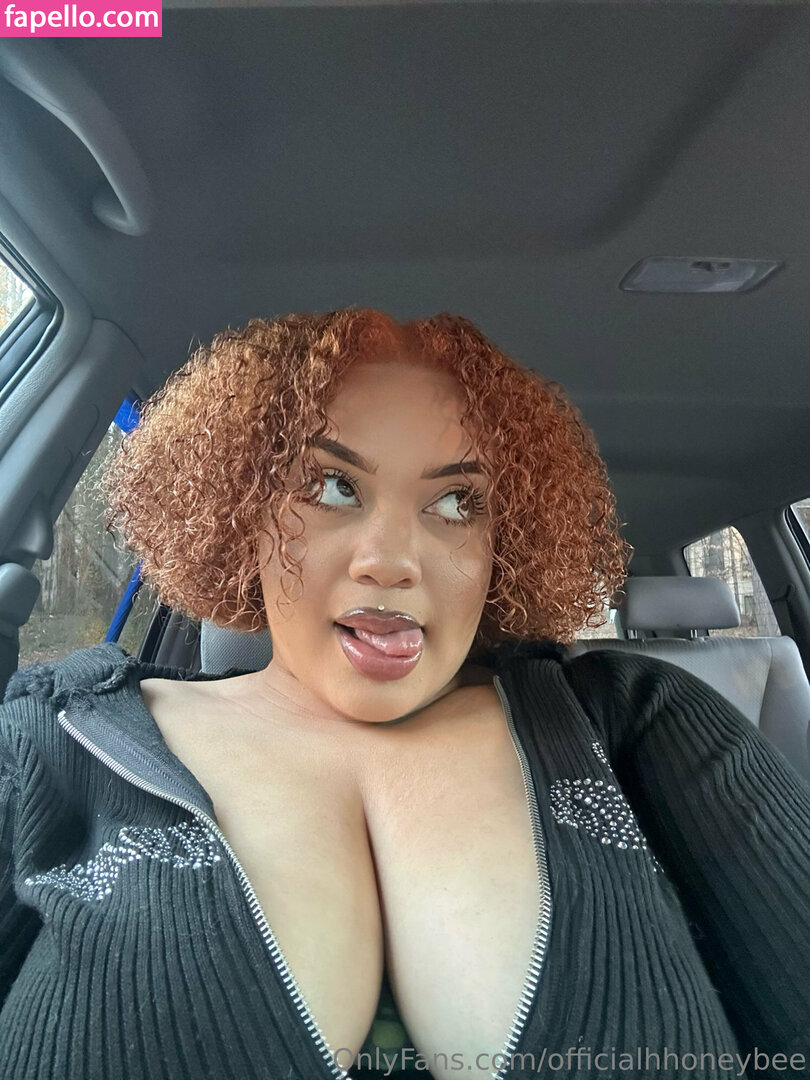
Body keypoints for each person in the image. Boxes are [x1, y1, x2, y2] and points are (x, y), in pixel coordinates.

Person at [0, 308, 807, 1080]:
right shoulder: (58, 732)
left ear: (503, 544)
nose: (391, 559)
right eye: (332, 486)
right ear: (244, 508)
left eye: (456, 503)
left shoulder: (642, 718)